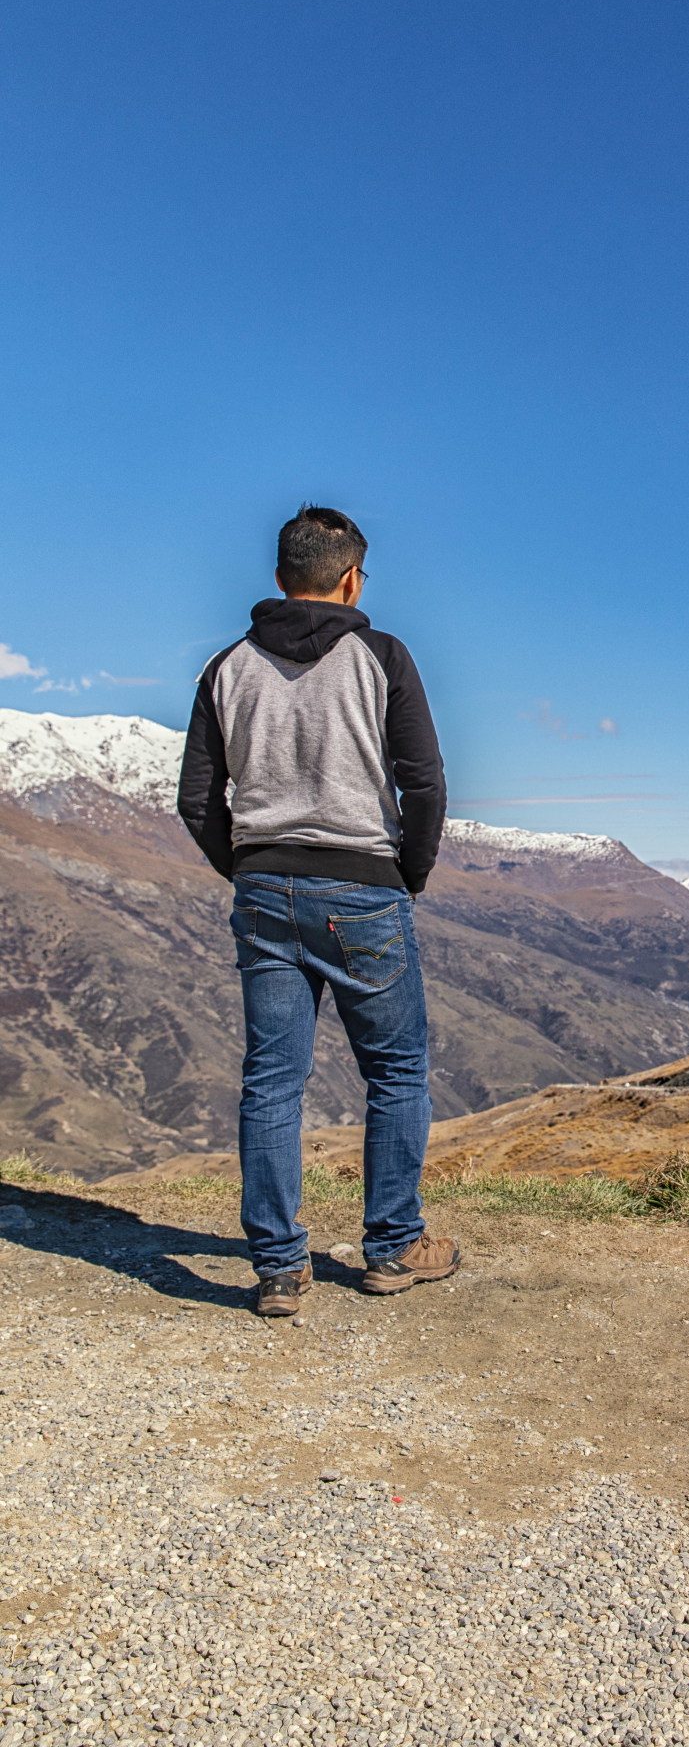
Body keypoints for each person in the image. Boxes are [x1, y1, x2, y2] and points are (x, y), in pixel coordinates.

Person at [177, 504, 458, 1317]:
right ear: (350, 578)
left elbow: (199, 800)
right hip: (363, 888)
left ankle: (276, 1268)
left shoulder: (226, 667)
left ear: (278, 579)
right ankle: (393, 1246)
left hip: (264, 888)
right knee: (396, 1071)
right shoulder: (381, 656)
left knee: (271, 1080)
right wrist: (406, 873)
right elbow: (426, 782)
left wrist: (248, 869)